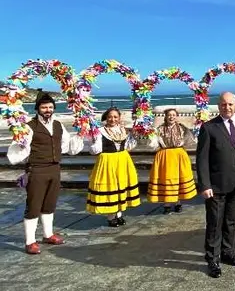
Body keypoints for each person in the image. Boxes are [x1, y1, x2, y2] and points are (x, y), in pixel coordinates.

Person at [7, 93, 83, 255]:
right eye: (44, 107)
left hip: (54, 169)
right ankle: (30, 242)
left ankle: (48, 235)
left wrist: (80, 134)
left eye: (50, 107)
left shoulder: (58, 125)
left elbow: (66, 146)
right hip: (37, 169)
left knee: (50, 203)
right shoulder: (28, 127)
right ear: (37, 109)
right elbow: (19, 150)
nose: (47, 110)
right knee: (34, 205)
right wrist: (21, 150)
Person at [196, 92, 235, 278]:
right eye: (224, 104)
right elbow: (202, 160)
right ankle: (212, 259)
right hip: (216, 185)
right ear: (219, 105)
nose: (227, 108)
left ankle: (227, 252)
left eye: (231, 104)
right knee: (215, 223)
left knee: (231, 221)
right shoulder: (209, 128)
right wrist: (205, 184)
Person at [86, 107, 141, 227]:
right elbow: (95, 150)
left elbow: (128, 146)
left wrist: (135, 134)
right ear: (106, 117)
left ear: (119, 118)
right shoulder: (100, 131)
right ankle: (111, 217)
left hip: (122, 160)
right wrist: (93, 139)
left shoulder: (123, 130)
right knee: (110, 187)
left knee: (121, 186)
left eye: (115, 117)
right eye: (110, 117)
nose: (112, 119)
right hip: (107, 161)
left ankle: (119, 214)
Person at [148, 108, 198, 214]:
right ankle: (167, 204)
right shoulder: (159, 129)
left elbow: (191, 139)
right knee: (166, 179)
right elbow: (153, 143)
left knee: (178, 180)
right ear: (165, 116)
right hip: (165, 155)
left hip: (179, 155)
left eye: (173, 115)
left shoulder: (182, 128)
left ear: (176, 116)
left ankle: (177, 203)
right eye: (169, 115)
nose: (171, 117)